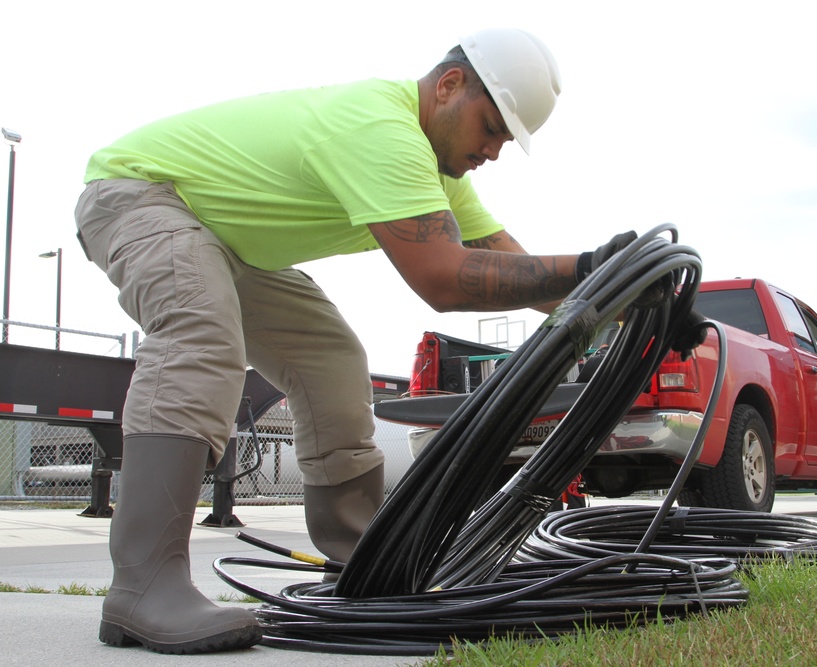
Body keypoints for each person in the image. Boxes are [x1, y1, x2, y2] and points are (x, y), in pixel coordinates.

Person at [73, 29, 642, 655]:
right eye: (491, 126)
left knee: (332, 358)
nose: (494, 150)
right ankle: (142, 586)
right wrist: (592, 266)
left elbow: (509, 262)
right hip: (142, 195)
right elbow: (443, 278)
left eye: (506, 139)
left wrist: (629, 300)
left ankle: (364, 564)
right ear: (449, 85)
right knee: (199, 333)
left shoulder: (438, 170)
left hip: (228, 238)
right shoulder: (381, 126)